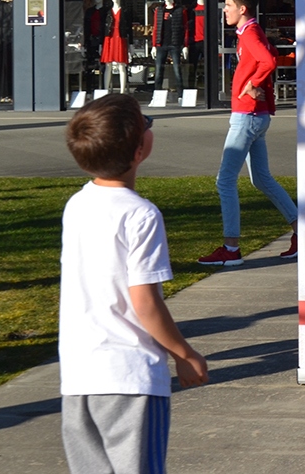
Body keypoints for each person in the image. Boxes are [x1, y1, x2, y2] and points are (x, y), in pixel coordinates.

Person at [59, 95, 209, 474]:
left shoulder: (76, 205)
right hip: (130, 376)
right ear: (140, 149)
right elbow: (145, 300)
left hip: (79, 375)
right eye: (147, 123)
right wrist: (183, 353)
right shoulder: (141, 215)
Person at [197, 0, 298, 266]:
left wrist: (253, 84)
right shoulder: (251, 32)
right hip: (256, 116)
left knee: (225, 180)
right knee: (261, 178)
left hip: (248, 116)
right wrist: (258, 84)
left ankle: (231, 249)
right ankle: (301, 231)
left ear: (243, 9)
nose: (225, 10)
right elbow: (270, 52)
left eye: (228, 5)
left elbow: (267, 59)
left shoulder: (250, 32)